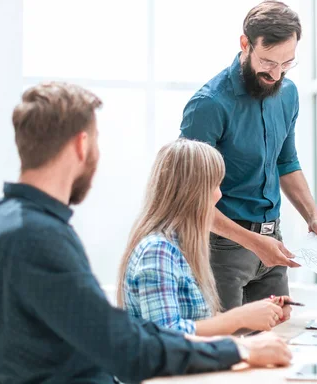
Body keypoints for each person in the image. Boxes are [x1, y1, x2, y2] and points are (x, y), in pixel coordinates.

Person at [0, 82, 291, 384]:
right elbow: (128, 350)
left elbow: (115, 332)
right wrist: (241, 351)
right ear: (81, 145)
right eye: (98, 143)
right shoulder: (39, 237)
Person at [180, 0, 317, 311]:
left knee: (275, 343)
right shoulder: (208, 106)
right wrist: (254, 244)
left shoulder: (288, 94)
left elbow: (286, 162)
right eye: (267, 62)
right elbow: (190, 201)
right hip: (220, 245)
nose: (276, 75)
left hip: (272, 240)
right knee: (226, 347)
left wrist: (313, 215)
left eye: (286, 64)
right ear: (245, 44)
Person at [118, 139, 294, 336]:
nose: (219, 195)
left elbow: (200, 325)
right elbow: (166, 335)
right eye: (216, 185)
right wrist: (241, 318)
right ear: (193, 192)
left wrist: (258, 315)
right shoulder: (158, 250)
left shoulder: (180, 248)